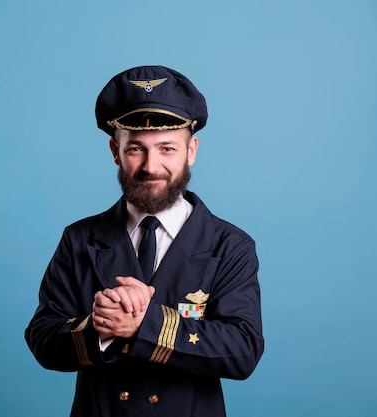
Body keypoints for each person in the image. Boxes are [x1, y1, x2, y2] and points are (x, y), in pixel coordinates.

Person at [25, 65, 264, 417]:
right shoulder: (79, 238)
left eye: (167, 148)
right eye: (136, 148)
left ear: (191, 150)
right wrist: (101, 327)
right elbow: (43, 340)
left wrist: (144, 325)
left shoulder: (230, 244)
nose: (152, 166)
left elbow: (243, 351)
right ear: (115, 151)